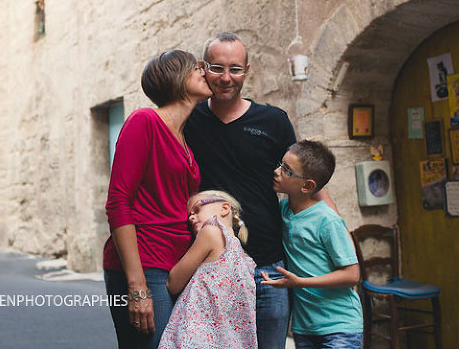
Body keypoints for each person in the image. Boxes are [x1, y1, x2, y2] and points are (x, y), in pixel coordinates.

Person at [184, 32, 336, 349]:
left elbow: (307, 181)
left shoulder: (273, 121)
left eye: (235, 69)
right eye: (217, 68)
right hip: (211, 266)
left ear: (247, 70)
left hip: (269, 267)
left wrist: (334, 228)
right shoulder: (189, 120)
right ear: (203, 68)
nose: (227, 78)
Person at [103, 50, 211, 349]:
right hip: (144, 265)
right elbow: (118, 202)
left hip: (176, 265)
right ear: (176, 78)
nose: (204, 72)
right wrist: (136, 287)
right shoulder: (144, 121)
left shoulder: (184, 137)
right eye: (195, 68)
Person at [262, 140, 363, 349]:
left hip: (340, 327)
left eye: (287, 171)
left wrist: (300, 282)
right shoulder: (282, 211)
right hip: (305, 328)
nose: (277, 171)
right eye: (281, 164)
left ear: (307, 186)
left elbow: (352, 275)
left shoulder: (327, 220)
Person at [159, 190, 257, 349]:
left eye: (197, 209)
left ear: (224, 208)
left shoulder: (211, 231)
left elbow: (173, 283)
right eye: (189, 215)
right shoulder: (244, 257)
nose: (191, 217)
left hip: (197, 337)